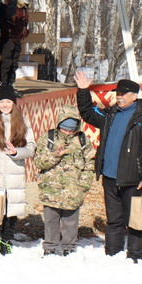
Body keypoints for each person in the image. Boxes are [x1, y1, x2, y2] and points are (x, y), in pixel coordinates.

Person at [75, 71, 142, 262]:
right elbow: (88, 113)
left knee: (135, 220)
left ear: (134, 96)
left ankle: (135, 257)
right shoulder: (110, 114)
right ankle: (112, 254)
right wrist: (83, 91)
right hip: (109, 176)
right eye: (117, 94)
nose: (119, 97)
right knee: (113, 219)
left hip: (133, 179)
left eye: (123, 94)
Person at [33, 105, 96, 257]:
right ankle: (50, 247)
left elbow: (89, 165)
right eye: (64, 129)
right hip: (51, 190)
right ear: (59, 125)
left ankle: (69, 246)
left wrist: (83, 186)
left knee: (71, 221)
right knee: (51, 221)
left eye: (71, 130)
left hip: (73, 190)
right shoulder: (48, 138)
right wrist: (55, 155)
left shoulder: (82, 141)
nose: (67, 133)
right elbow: (38, 162)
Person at [0, 85, 35, 256]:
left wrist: (16, 152)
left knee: (11, 207)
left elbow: (31, 148)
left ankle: (6, 239)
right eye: (2, 102)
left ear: (14, 104)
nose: (5, 105)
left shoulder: (22, 121)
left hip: (15, 171)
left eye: (8, 101)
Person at [0, 0, 32, 86]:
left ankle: (10, 84)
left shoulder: (24, 8)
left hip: (17, 38)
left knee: (14, 63)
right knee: (6, 63)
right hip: (9, 38)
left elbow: (23, 23)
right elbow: (8, 16)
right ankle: (3, 84)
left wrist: (25, 32)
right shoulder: (11, 5)